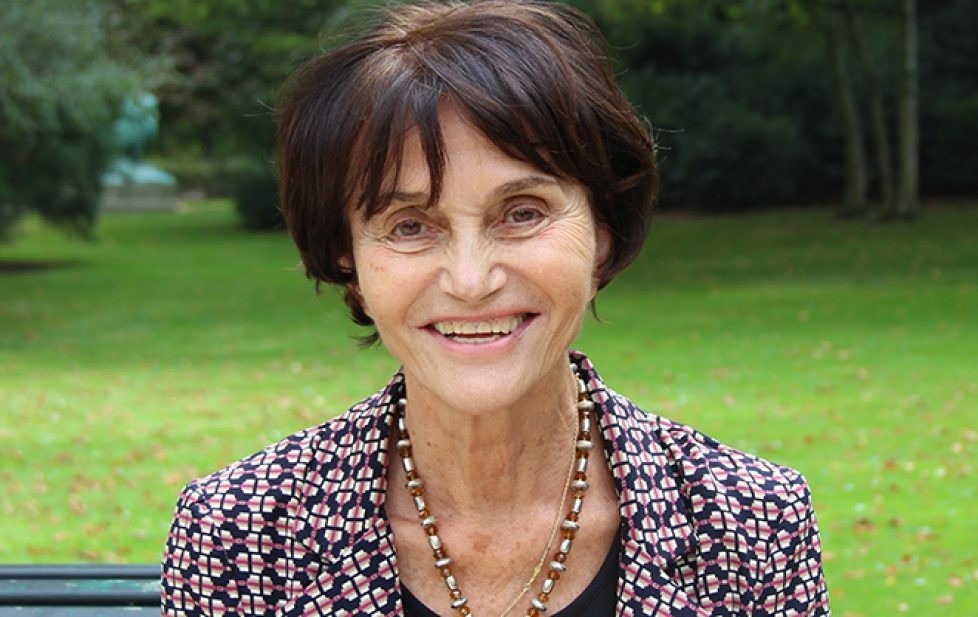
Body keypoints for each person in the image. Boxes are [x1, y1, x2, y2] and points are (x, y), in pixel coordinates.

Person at [161, 1, 830, 615]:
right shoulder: (240, 534)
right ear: (348, 259)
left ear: (603, 234)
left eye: (522, 212)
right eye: (409, 225)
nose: (471, 280)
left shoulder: (750, 523)